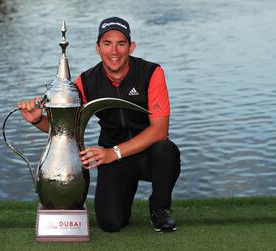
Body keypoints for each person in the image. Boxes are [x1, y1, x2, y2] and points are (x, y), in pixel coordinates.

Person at [18, 17, 181, 233]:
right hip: (112, 160)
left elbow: (160, 130)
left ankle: (160, 209)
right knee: (110, 223)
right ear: (97, 48)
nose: (114, 51)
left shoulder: (152, 73)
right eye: (107, 43)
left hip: (146, 155)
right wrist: (38, 119)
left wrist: (114, 152)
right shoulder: (85, 81)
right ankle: (124, 197)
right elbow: (67, 130)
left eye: (121, 44)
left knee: (166, 150)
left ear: (131, 47)